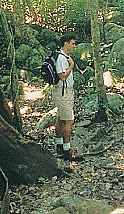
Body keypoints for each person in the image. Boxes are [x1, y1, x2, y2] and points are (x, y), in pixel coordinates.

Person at [53, 33, 83, 161]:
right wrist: (72, 66)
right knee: (68, 121)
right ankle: (67, 150)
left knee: (61, 118)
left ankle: (60, 145)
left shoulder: (65, 56)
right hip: (63, 92)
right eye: (73, 43)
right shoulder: (61, 58)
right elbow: (62, 76)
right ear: (66, 43)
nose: (74, 46)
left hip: (64, 92)